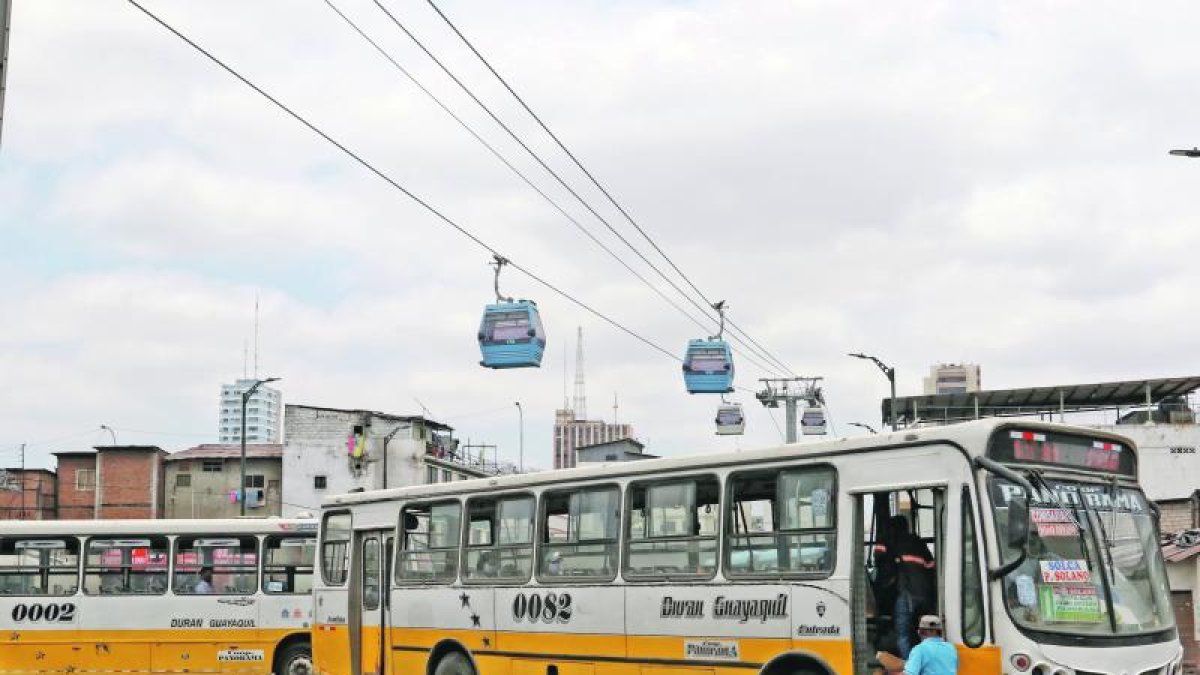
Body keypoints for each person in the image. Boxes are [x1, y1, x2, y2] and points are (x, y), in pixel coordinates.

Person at [886, 516, 935, 658]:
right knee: (924, 633)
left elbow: (890, 572)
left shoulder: (896, 544)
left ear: (894, 529)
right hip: (925, 595)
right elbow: (931, 566)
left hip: (907, 596)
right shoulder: (919, 543)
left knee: (903, 635)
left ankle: (910, 668)